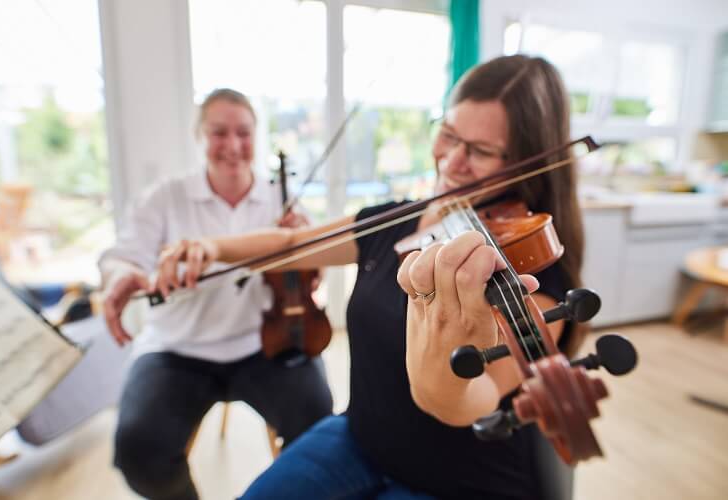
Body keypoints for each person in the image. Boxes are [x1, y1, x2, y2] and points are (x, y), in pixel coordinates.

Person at [153, 55, 585, 499]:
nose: (452, 160)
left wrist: (439, 364)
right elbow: (290, 246)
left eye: (479, 151)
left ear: (524, 162)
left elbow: (474, 399)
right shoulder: (391, 221)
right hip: (361, 439)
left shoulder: (534, 269)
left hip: (460, 478)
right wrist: (211, 249)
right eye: (449, 135)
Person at [99, 88, 333, 500]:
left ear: (256, 136)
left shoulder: (281, 204)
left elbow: (314, 278)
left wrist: (300, 245)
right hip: (177, 349)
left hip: (266, 344)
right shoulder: (166, 198)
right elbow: (121, 257)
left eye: (243, 133)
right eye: (218, 133)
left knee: (318, 427)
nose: (233, 146)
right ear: (199, 136)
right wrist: (124, 273)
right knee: (139, 449)